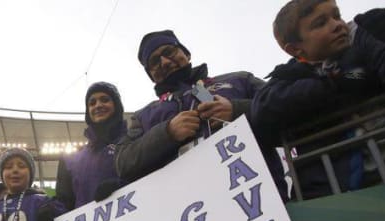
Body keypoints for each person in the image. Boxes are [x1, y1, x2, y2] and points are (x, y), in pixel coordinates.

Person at [114, 30, 287, 199]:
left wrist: (237, 110)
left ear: (186, 54)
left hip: (262, 201)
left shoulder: (239, 80)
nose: (165, 62)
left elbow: (287, 106)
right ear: (151, 75)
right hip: (186, 215)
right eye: (154, 62)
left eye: (169, 52)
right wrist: (167, 133)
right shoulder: (142, 116)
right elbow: (123, 163)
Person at [250, 1, 385, 199]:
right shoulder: (288, 75)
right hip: (337, 198)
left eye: (336, 15)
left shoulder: (365, 34)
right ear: (296, 49)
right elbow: (263, 112)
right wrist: (334, 82)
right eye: (320, 23)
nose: (337, 25)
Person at [55, 82, 127, 210]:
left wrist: (122, 186)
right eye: (92, 103)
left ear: (116, 105)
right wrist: (51, 209)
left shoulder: (133, 142)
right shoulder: (70, 160)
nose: (98, 105)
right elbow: (64, 203)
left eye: (105, 100)